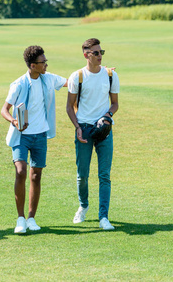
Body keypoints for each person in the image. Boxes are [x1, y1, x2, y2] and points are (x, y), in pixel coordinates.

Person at [1, 45, 68, 234]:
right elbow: (4, 109)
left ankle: (31, 218)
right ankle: (20, 218)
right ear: (32, 65)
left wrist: (103, 72)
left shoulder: (49, 79)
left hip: (40, 135)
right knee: (21, 171)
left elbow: (71, 82)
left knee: (36, 176)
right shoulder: (19, 84)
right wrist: (14, 121)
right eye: (43, 62)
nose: (46, 65)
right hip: (21, 136)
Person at [66, 38, 120, 230]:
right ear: (86, 55)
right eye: (95, 53)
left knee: (104, 175)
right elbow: (69, 107)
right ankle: (83, 205)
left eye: (101, 52)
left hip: (105, 129)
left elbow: (115, 103)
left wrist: (107, 116)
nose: (99, 56)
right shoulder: (77, 76)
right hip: (84, 129)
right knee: (82, 174)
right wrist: (77, 127)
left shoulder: (110, 75)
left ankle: (104, 217)